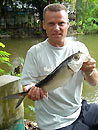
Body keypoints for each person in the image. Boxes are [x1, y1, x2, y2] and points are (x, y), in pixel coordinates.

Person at [21, 3, 98, 130]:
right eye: (51, 23)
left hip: (79, 108)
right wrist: (30, 90)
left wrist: (89, 71)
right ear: (44, 25)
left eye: (61, 23)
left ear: (68, 24)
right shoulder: (34, 52)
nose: (57, 28)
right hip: (54, 121)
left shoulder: (79, 48)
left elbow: (94, 82)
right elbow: (27, 83)